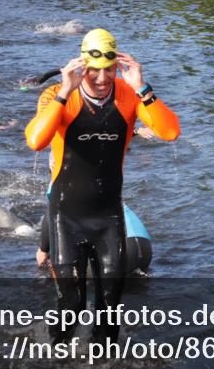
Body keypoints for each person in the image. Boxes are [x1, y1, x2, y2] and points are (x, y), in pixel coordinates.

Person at [25, 28, 179, 343]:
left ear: (116, 66)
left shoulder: (128, 95)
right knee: (72, 305)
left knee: (110, 308)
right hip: (66, 215)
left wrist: (142, 87)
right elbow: (35, 140)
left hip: (108, 215)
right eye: (93, 70)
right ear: (81, 66)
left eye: (108, 69)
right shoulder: (56, 95)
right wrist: (65, 92)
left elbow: (170, 132)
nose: (100, 78)